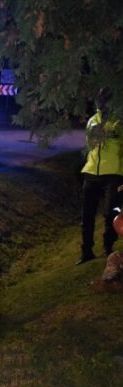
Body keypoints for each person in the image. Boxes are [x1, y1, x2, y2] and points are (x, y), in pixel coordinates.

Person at [77, 88, 123, 265]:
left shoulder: (119, 121)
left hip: (113, 171)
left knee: (110, 213)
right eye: (99, 99)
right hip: (91, 171)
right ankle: (86, 251)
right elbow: (88, 144)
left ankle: (108, 248)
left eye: (104, 99)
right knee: (86, 214)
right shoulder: (92, 121)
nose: (101, 102)